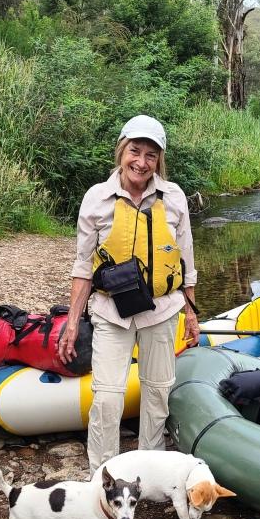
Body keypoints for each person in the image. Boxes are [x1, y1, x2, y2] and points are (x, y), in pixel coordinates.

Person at [56, 115, 199, 473]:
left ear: (159, 160)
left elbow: (186, 262)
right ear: (122, 150)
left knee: (157, 391)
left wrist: (192, 314)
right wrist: (72, 323)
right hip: (111, 312)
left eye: (151, 155)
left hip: (163, 310)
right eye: (135, 151)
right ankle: (103, 476)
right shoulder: (97, 199)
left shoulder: (175, 198)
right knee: (106, 397)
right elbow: (83, 267)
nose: (142, 162)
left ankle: (147, 470)